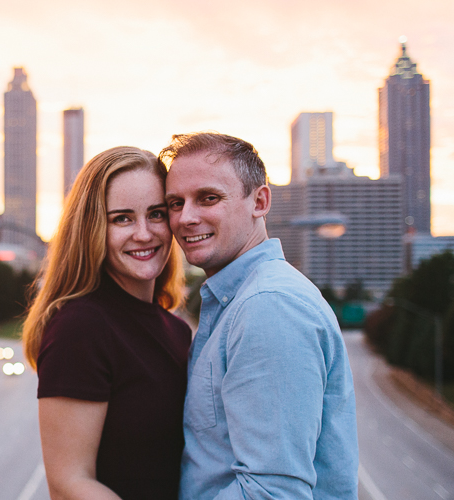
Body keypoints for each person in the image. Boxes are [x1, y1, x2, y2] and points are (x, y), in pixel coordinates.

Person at [161, 133, 359, 499]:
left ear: (260, 201)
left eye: (208, 198)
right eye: (175, 203)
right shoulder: (237, 301)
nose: (186, 218)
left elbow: (271, 492)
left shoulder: (269, 306)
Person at [22, 146, 192, 500]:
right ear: (91, 229)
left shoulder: (175, 330)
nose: (144, 233)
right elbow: (69, 482)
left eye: (156, 214)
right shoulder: (80, 329)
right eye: (122, 218)